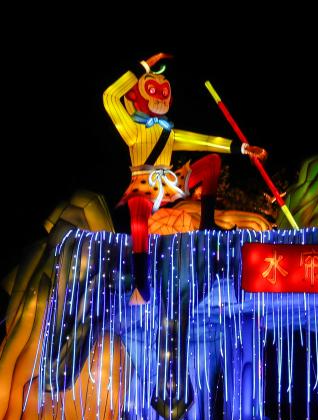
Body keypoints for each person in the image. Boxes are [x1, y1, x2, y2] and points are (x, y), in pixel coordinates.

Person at [103, 51, 267, 304]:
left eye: (163, 91)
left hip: (170, 181)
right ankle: (141, 282)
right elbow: (109, 96)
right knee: (138, 213)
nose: (159, 96)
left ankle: (207, 224)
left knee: (211, 161)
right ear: (137, 95)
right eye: (152, 90)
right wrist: (143, 66)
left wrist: (244, 149)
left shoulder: (169, 134)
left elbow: (206, 141)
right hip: (143, 182)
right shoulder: (132, 130)